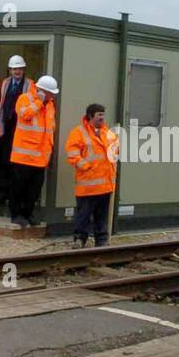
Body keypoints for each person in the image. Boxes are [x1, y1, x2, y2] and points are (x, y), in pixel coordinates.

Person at [64, 103, 118, 248]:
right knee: (84, 215)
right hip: (87, 184)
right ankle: (79, 239)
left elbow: (114, 153)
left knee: (101, 216)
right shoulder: (78, 132)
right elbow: (72, 153)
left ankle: (101, 240)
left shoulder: (108, 133)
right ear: (90, 116)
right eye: (99, 115)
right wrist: (86, 167)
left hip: (105, 185)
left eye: (103, 114)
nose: (102, 117)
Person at [8, 74, 58, 229]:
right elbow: (24, 115)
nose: (51, 96)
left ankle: (28, 214)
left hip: (40, 157)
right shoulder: (25, 99)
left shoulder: (49, 105)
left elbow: (50, 129)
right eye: (49, 93)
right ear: (41, 91)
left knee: (34, 190)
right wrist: (38, 102)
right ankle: (16, 215)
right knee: (19, 188)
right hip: (23, 156)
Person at [0, 55, 32, 212]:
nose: (17, 71)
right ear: (10, 70)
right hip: (6, 127)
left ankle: (16, 196)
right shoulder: (5, 83)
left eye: (19, 68)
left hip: (21, 129)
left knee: (17, 164)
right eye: (14, 69)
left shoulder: (29, 85)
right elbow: (0, 104)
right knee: (4, 161)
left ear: (23, 69)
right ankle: (3, 192)